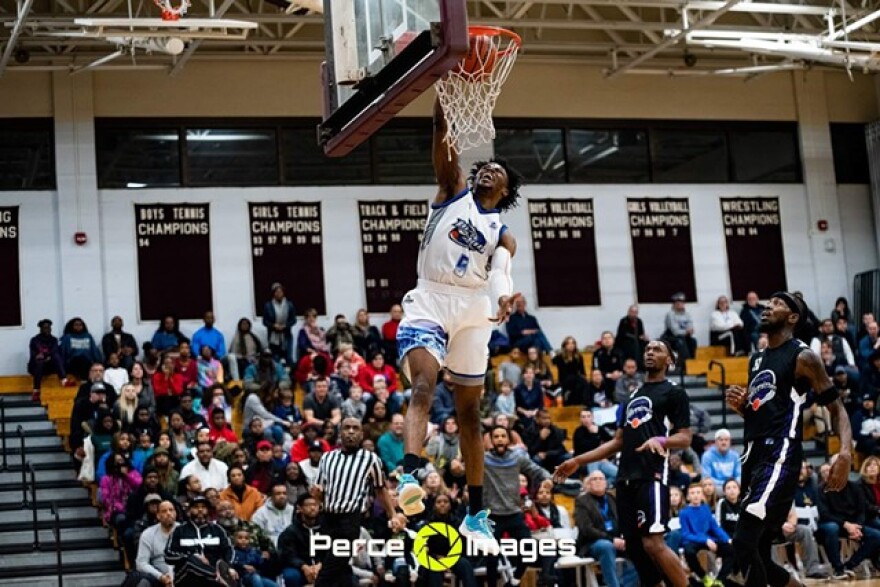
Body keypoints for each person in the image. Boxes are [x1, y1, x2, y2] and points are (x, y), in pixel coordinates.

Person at [393, 96, 525, 547]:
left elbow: (503, 269)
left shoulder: (502, 231)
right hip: (430, 298)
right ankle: (409, 476)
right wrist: (442, 89)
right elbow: (439, 133)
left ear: (506, 190)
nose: (488, 170)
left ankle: (474, 513)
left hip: (475, 309)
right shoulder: (452, 190)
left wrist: (504, 297)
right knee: (424, 387)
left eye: (498, 171)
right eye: (485, 167)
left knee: (471, 415)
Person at [723, 291, 853, 587]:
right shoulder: (756, 359)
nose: (769, 307)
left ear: (793, 318)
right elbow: (768, 412)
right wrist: (744, 408)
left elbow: (837, 408)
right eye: (769, 303)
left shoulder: (803, 356)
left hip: (779, 455)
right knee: (757, 553)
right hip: (752, 454)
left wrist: (845, 453)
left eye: (778, 304)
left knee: (742, 543)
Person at [554, 340, 692, 587]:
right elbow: (617, 442)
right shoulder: (631, 398)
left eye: (658, 349)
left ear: (669, 360)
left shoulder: (674, 392)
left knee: (653, 543)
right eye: (648, 349)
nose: (650, 352)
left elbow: (685, 437)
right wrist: (577, 459)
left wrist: (660, 439)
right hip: (625, 477)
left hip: (652, 474)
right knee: (635, 547)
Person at [310, 417, 406, 587]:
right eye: (347, 428)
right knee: (341, 569)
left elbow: (380, 489)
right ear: (340, 433)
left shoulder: (371, 459)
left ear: (362, 434)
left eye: (355, 428)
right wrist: (316, 495)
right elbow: (319, 491)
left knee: (329, 571)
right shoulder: (327, 458)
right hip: (327, 518)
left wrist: (393, 514)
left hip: (349, 521)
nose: (351, 432)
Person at [165, 495, 238, 587]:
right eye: (196, 507)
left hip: (211, 577)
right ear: (189, 511)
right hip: (186, 577)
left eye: (203, 507)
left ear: (208, 510)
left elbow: (229, 550)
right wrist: (193, 557)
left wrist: (229, 567)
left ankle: (218, 577)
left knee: (231, 574)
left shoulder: (217, 529)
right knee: (190, 560)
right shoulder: (179, 530)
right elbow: (168, 556)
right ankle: (216, 576)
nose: (200, 510)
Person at [574, 471, 626, 587]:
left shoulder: (612, 498)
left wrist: (625, 538)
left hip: (616, 541)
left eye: (601, 479)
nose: (598, 481)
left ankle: (627, 584)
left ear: (606, 483)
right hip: (592, 543)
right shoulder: (582, 501)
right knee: (606, 546)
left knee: (639, 547)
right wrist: (611, 540)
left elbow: (623, 521)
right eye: (594, 479)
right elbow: (586, 529)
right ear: (588, 484)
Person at [679, 483, 733, 585]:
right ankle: (703, 577)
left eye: (698, 492)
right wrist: (706, 540)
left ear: (702, 495)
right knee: (689, 552)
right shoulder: (684, 513)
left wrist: (727, 539)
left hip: (710, 539)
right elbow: (686, 534)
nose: (695, 495)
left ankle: (720, 580)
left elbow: (715, 527)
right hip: (694, 540)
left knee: (731, 550)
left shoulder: (705, 508)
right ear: (688, 496)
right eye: (692, 493)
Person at [132, 500, 179, 587]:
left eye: (171, 510)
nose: (168, 513)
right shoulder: (148, 534)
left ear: (175, 513)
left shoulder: (185, 530)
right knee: (143, 582)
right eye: (164, 511)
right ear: (158, 516)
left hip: (182, 574)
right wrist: (161, 577)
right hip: (157, 576)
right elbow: (141, 563)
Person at [28, 318, 69, 401]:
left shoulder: (54, 340)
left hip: (50, 365)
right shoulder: (34, 340)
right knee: (39, 362)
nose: (48, 329)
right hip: (36, 367)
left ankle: (64, 380)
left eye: (49, 327)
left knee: (56, 356)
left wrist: (45, 356)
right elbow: (34, 356)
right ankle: (36, 390)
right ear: (41, 329)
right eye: (45, 327)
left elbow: (54, 352)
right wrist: (44, 357)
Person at [262, 282, 297, 366]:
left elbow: (293, 320)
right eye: (276, 292)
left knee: (288, 357)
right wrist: (273, 325)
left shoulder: (289, 305)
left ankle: (290, 375)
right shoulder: (268, 306)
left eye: (280, 292)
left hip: (286, 335)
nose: (279, 294)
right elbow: (265, 321)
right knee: (275, 358)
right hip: (273, 336)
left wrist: (285, 326)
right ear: (273, 294)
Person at [61, 317, 104, 381]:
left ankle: (85, 380)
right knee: (79, 360)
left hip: (87, 362)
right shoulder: (67, 337)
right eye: (76, 325)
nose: (78, 326)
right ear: (72, 326)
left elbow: (94, 350)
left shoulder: (88, 336)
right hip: (73, 362)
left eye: (80, 325)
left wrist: (99, 362)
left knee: (86, 362)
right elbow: (63, 352)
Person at [663, 292, 697, 363]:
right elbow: (675, 331)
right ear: (674, 304)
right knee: (680, 342)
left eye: (682, 303)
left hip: (684, 336)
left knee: (693, 341)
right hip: (672, 337)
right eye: (677, 303)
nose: (680, 305)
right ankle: (685, 364)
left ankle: (692, 362)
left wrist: (689, 331)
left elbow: (690, 325)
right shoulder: (670, 315)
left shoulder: (687, 314)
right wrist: (686, 332)